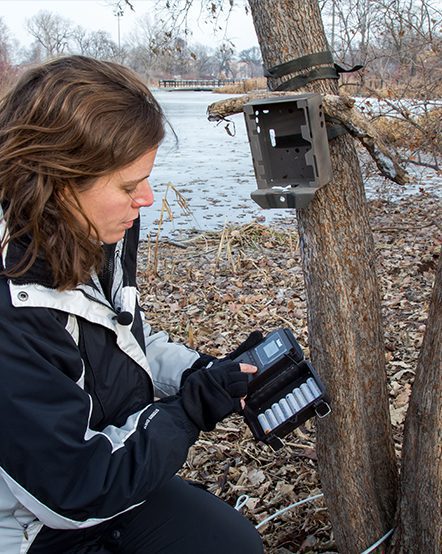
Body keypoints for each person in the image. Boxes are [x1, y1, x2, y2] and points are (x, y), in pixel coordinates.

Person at [0, 55, 265, 554]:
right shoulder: (10, 311)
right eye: (128, 186)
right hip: (30, 522)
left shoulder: (93, 230)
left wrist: (205, 373)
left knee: (233, 544)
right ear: (60, 183)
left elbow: (122, 336)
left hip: (104, 459)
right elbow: (74, 488)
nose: (146, 198)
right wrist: (188, 411)